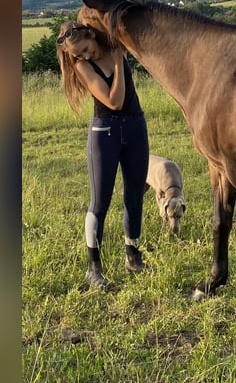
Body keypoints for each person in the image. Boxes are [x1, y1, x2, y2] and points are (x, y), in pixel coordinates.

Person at [56, 21, 150, 288]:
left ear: (90, 35)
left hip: (135, 127)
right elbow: (114, 101)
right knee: (100, 202)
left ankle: (133, 257)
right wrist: (119, 60)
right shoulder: (83, 66)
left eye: (85, 49)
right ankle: (93, 269)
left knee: (134, 195)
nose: (85, 56)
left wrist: (118, 49)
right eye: (78, 55)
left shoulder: (111, 45)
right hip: (105, 132)